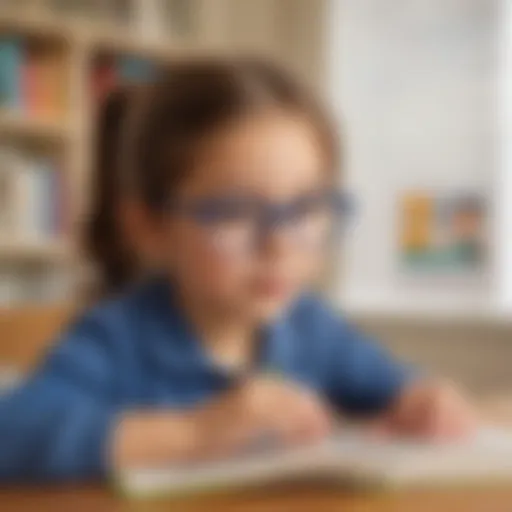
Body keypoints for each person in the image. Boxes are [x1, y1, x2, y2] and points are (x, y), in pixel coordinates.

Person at [0, 59, 476, 482]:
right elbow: (13, 433)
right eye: (232, 212)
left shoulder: (310, 328)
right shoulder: (116, 338)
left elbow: (395, 386)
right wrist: (193, 434)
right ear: (148, 227)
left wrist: (424, 401)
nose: (279, 244)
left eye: (307, 208)